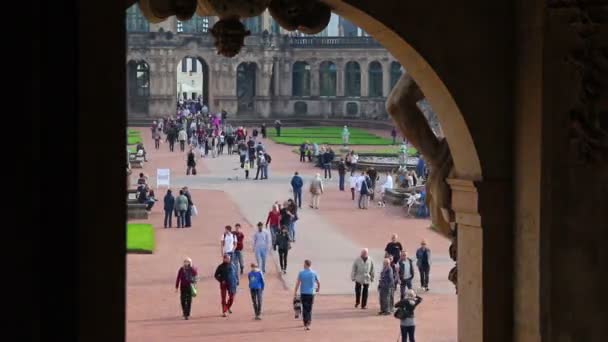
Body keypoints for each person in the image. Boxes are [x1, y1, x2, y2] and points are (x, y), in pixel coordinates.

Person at [293, 260, 320, 330]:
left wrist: (295, 291)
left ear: (306, 265)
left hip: (303, 293)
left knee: (305, 308)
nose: (303, 265)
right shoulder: (314, 273)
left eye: (304, 264)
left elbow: (298, 283)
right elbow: (318, 282)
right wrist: (318, 288)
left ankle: (305, 323)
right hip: (311, 293)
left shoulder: (301, 273)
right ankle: (308, 321)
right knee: (309, 308)